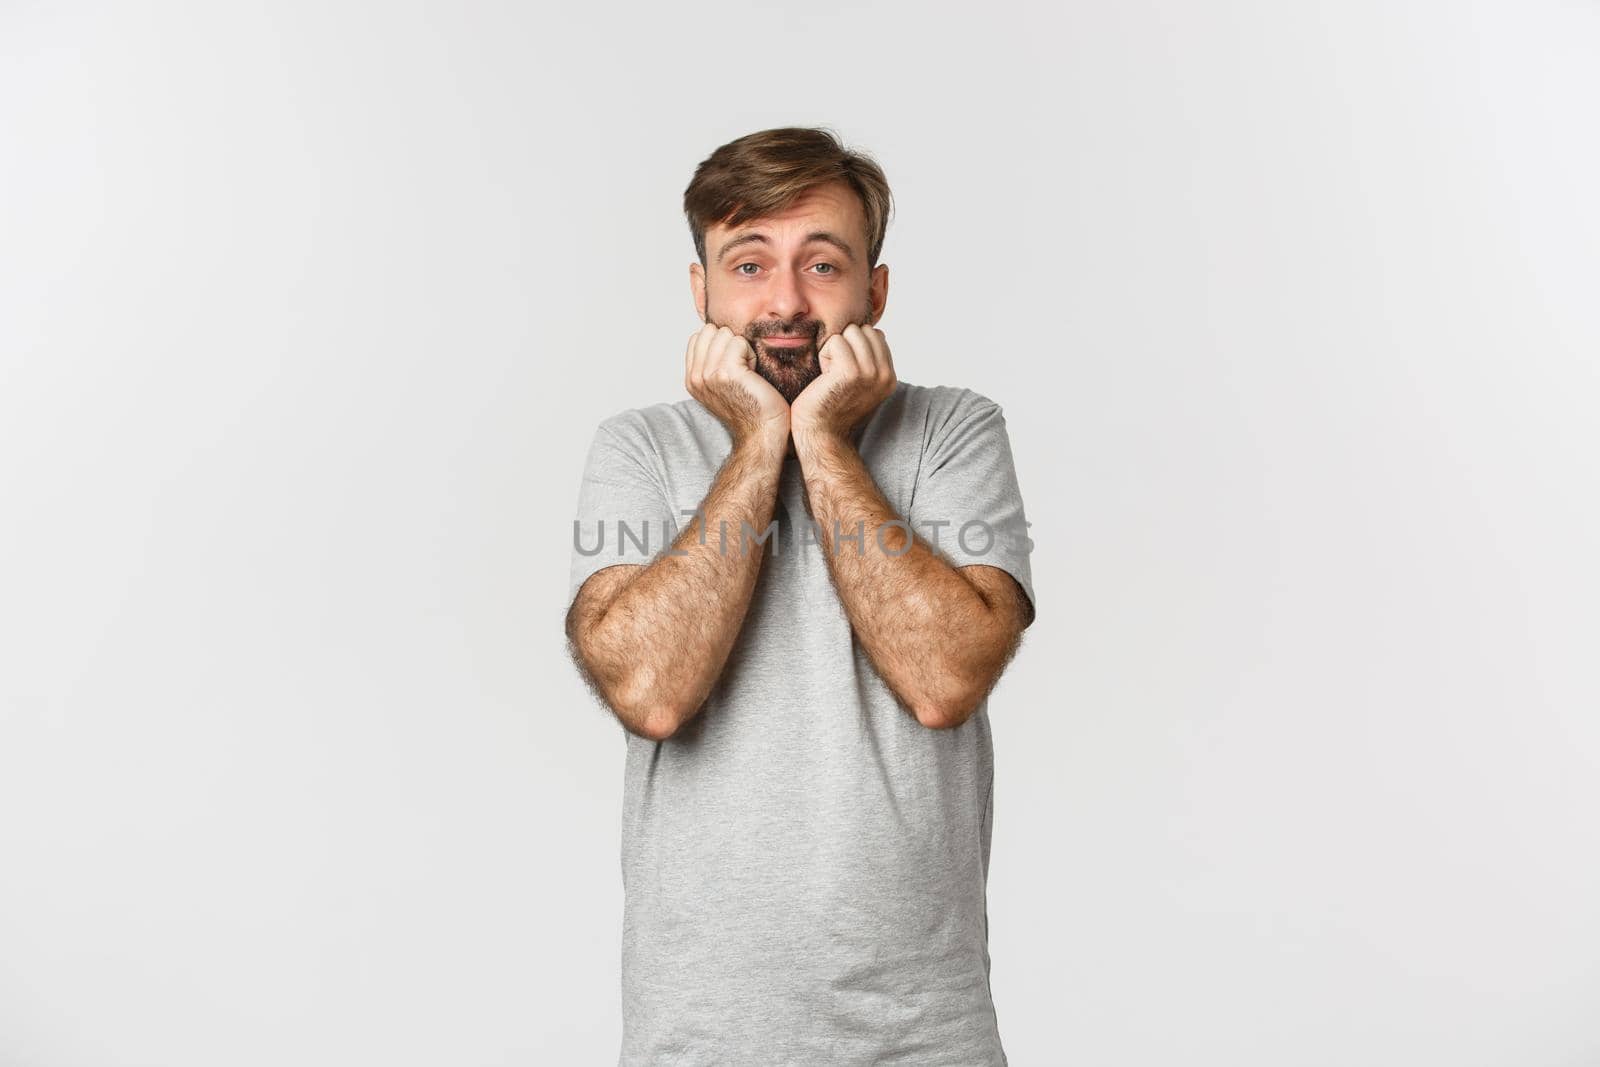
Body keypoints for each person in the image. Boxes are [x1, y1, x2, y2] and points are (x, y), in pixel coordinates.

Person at [565, 126, 1037, 1066]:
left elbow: (944, 677)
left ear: (876, 290)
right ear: (701, 293)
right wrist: (756, 442)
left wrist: (821, 438)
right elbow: (653, 692)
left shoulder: (954, 431)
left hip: (922, 1032)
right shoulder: (640, 449)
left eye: (823, 263)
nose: (785, 301)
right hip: (700, 1033)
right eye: (749, 264)